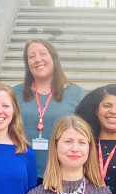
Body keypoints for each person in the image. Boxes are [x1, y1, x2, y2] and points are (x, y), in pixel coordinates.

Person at [13, 39, 85, 183]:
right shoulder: (14, 93)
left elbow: (85, 134)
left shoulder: (76, 93)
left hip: (61, 175)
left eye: (42, 53)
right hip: (21, 173)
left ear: (53, 58)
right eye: (31, 56)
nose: (37, 59)